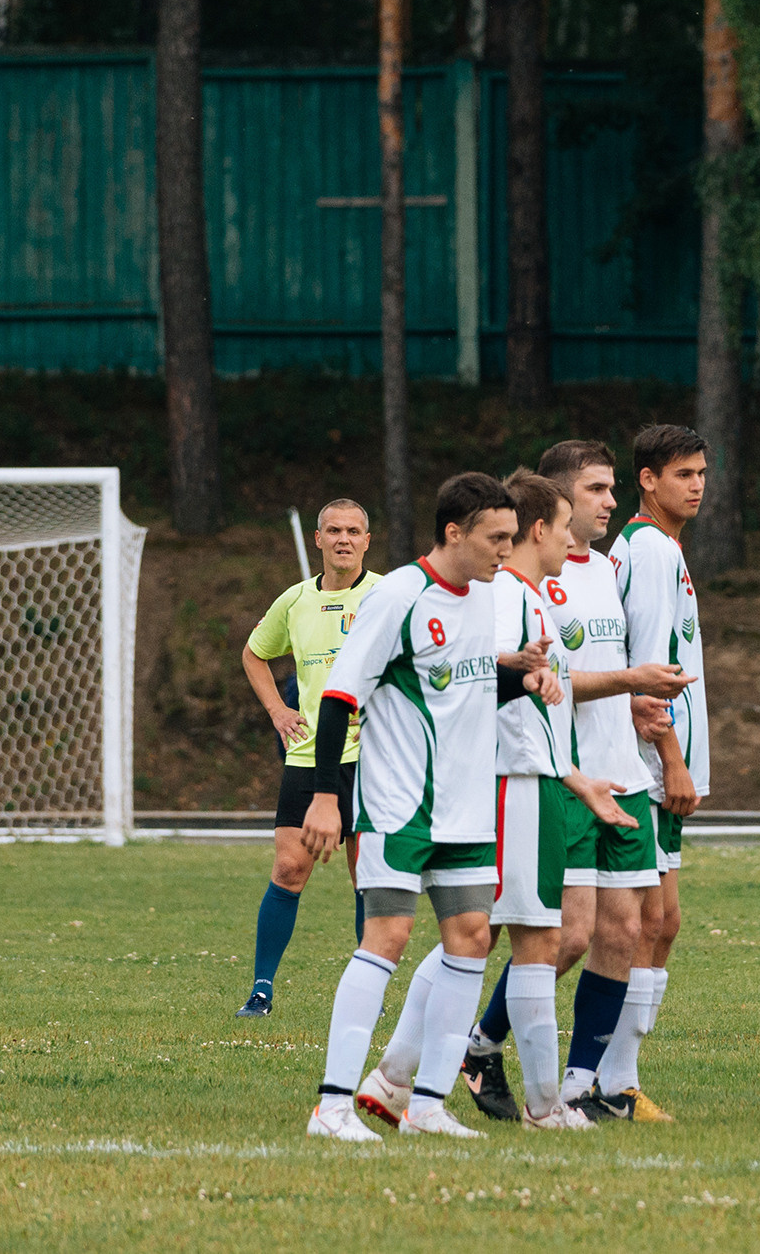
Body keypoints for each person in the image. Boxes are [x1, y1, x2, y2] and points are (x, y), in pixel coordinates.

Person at [304, 473, 553, 1142]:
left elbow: (461, 686)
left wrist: (522, 676)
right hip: (400, 806)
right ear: (454, 532)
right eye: (496, 537)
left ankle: (426, 1105)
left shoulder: (482, 596)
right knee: (384, 938)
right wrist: (327, 795)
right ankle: (330, 1108)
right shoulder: (399, 595)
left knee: (470, 938)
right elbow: (339, 696)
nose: (508, 549)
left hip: (465, 808)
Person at [459, 443, 687, 1123]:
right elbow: (554, 680)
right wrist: (628, 682)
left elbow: (602, 666)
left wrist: (641, 707)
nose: (608, 502)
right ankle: (477, 1045)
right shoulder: (529, 583)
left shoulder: (607, 572)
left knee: (628, 930)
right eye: (594, 490)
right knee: (564, 936)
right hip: (566, 776)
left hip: (623, 771)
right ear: (552, 509)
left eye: (611, 488)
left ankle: (584, 1083)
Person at [595, 424, 713, 1121]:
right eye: (682, 473)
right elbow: (646, 678)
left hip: (659, 764)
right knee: (643, 920)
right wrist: (672, 760)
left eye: (701, 472)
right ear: (648, 479)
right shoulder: (648, 550)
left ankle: (616, 1073)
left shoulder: (658, 548)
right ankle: (612, 1077)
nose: (696, 484)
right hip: (645, 766)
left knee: (659, 921)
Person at [235, 499, 381, 1017]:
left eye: (354, 531)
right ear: (317, 539)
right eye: (334, 530)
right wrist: (277, 708)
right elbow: (255, 653)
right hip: (308, 757)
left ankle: (371, 992)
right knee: (289, 868)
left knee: (369, 876)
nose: (344, 538)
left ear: (368, 540)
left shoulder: (386, 596)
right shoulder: (294, 600)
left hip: (373, 758)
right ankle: (260, 990)